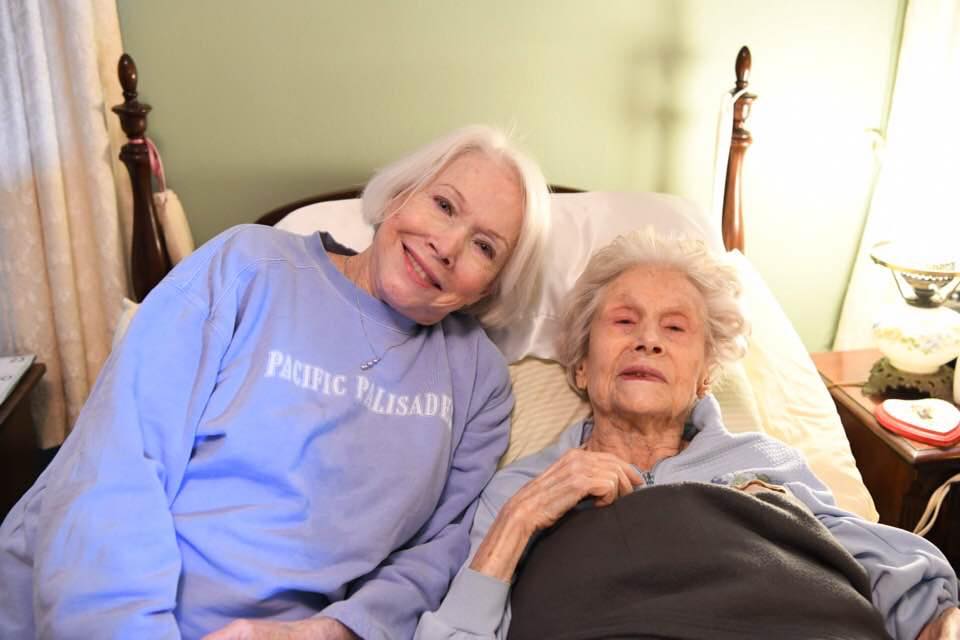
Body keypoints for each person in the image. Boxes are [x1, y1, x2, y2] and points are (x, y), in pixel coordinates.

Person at [0, 125, 551, 640]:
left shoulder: (478, 380)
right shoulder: (248, 266)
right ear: (400, 194)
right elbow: (117, 459)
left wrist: (329, 632)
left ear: (491, 287)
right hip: (104, 610)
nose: (448, 245)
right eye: (444, 204)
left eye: (485, 247)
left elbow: (438, 552)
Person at [416, 228, 960, 640]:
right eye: (624, 321)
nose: (648, 340)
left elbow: (901, 577)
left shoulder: (764, 461)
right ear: (581, 365)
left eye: (675, 328)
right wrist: (521, 520)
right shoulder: (522, 491)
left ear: (704, 378)